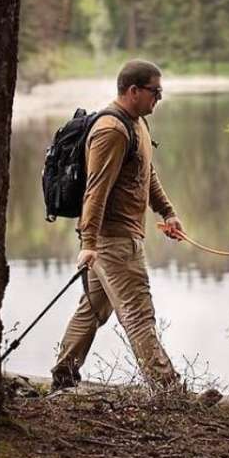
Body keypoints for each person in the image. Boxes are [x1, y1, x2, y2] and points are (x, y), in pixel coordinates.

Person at [50, 60, 184, 392]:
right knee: (139, 314)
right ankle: (170, 392)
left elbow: (146, 173)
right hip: (112, 240)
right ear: (133, 91)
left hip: (122, 236)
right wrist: (89, 244)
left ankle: (64, 376)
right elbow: (96, 189)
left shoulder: (137, 124)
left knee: (93, 308)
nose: (159, 98)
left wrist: (166, 212)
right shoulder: (111, 130)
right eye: (156, 91)